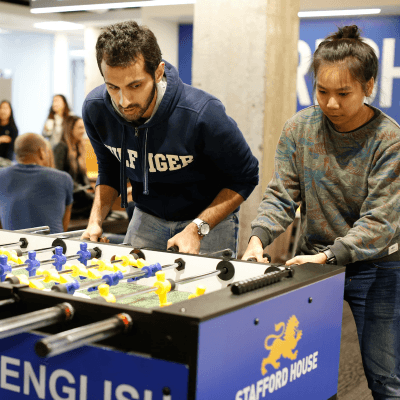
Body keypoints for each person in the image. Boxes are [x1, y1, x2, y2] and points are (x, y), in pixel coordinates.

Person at [242, 25, 400, 400]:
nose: (331, 104)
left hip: (377, 266)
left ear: (369, 86)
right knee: (304, 367)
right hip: (314, 263)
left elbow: (379, 221)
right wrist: (256, 239)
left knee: (385, 376)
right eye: (322, 91)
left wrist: (329, 255)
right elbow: (282, 194)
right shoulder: (300, 129)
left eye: (343, 93)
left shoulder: (389, 140)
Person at [81, 20, 259, 256]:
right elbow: (110, 168)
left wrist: (197, 228)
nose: (124, 101)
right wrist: (95, 220)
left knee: (205, 293)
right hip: (146, 216)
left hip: (207, 219)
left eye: (135, 85)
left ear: (158, 72)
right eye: (113, 87)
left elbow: (245, 178)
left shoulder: (203, 113)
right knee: (134, 289)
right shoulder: (96, 110)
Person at [0, 132, 74, 234]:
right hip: (52, 247)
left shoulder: (1, 175)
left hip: (13, 247)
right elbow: (64, 225)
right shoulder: (63, 178)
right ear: (41, 152)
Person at [54, 115, 94, 219]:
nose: (83, 131)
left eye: (84, 127)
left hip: (79, 194)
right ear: (70, 129)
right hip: (69, 196)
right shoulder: (61, 148)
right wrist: (82, 190)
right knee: (95, 205)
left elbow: (82, 176)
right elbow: (59, 176)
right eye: (80, 128)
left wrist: (88, 188)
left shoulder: (78, 147)